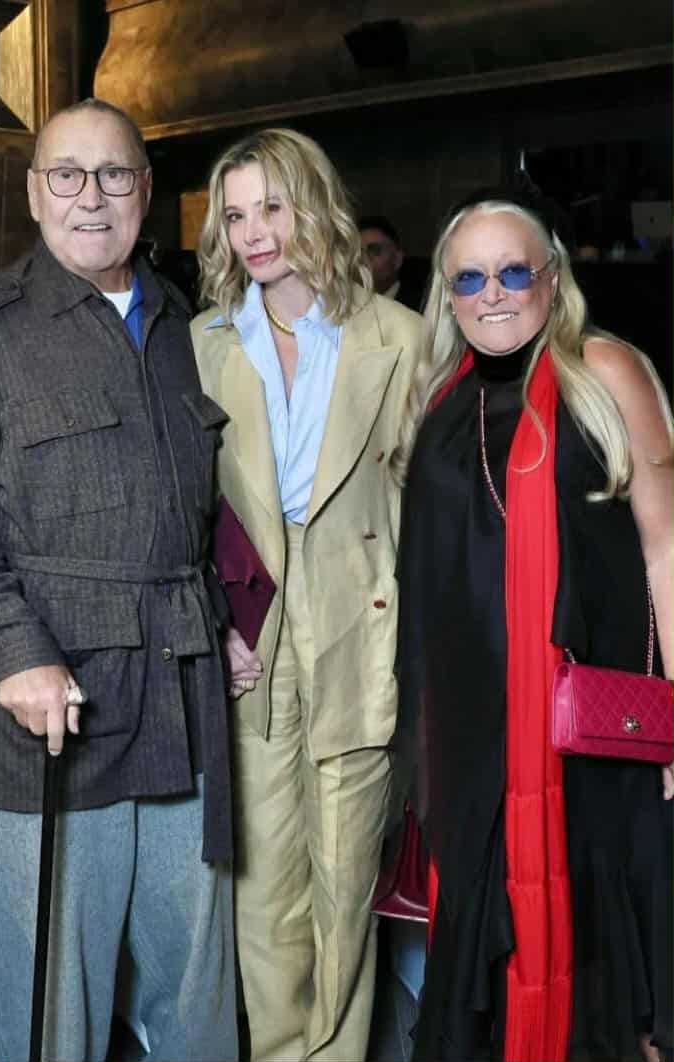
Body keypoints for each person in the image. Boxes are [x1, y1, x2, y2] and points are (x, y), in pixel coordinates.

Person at [0, 97, 238, 1062]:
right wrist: (15, 655)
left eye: (114, 174)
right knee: (51, 1002)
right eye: (67, 175)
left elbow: (211, 506)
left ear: (147, 189)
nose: (90, 197)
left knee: (196, 992)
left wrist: (226, 617)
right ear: (32, 192)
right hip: (47, 708)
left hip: (181, 691)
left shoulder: (184, 322)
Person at [393, 188, 673, 1062]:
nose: (493, 295)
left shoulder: (603, 369)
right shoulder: (440, 399)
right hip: (474, 742)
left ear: (552, 278)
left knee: (607, 957)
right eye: (469, 278)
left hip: (592, 734)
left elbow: (666, 544)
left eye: (514, 272)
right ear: (445, 293)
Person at [191, 128, 423, 1062]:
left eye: (272, 207)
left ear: (315, 205)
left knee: (346, 884)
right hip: (251, 630)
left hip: (361, 624)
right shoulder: (204, 342)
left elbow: (419, 504)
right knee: (263, 895)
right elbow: (185, 502)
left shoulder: (399, 337)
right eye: (235, 214)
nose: (253, 232)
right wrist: (214, 616)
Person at [359, 214, 425, 312]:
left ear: (397, 259)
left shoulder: (421, 307)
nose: (364, 257)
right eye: (358, 251)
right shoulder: (346, 306)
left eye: (374, 250)